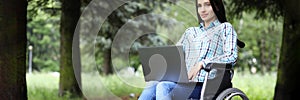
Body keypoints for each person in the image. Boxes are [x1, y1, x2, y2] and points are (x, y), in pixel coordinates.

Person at [138, 0, 238, 99]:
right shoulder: (190, 32)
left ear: (216, 7)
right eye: (199, 6)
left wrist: (202, 63)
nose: (202, 10)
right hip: (185, 83)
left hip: (207, 85)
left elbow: (231, 56)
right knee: (153, 83)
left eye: (207, 5)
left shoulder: (225, 28)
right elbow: (174, 55)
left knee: (164, 86)